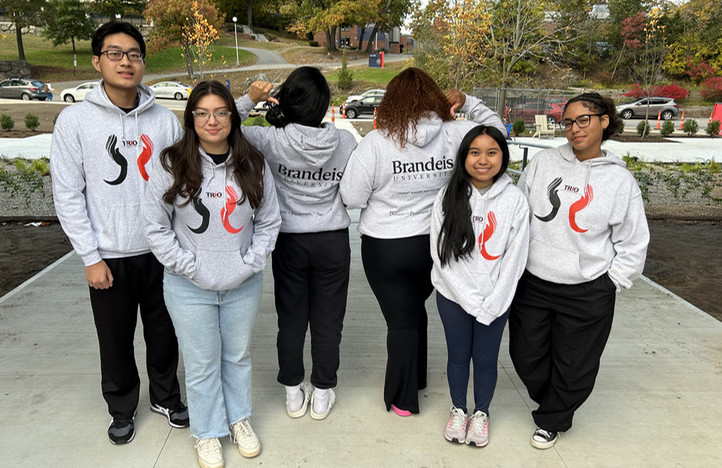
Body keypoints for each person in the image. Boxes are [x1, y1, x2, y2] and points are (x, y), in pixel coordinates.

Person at [50, 21, 187, 445]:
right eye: (115, 53)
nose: (125, 62)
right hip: (108, 254)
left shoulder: (164, 120)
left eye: (134, 54)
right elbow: (67, 193)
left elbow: (184, 180)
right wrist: (90, 256)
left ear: (143, 63)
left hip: (161, 250)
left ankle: (165, 396)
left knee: (164, 332)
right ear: (97, 61)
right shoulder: (75, 121)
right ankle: (121, 406)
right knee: (115, 339)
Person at [339, 67, 506, 416]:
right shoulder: (457, 133)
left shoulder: (377, 143)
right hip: (436, 245)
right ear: (434, 97)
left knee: (400, 322)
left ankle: (402, 399)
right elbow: (497, 132)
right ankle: (416, 378)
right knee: (414, 313)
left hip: (387, 246)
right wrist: (468, 101)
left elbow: (352, 197)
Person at [144, 80, 281, 468]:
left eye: (221, 112)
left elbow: (270, 220)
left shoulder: (252, 161)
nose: (212, 120)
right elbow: (156, 228)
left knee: (237, 356)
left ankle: (239, 420)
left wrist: (250, 262)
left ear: (233, 117)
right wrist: (189, 266)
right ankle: (206, 432)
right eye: (202, 113)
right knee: (202, 361)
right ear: (191, 119)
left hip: (242, 284)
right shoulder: (171, 163)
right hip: (188, 287)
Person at [509, 92, 649, 450]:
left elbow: (633, 241)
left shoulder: (620, 182)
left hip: (587, 288)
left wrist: (611, 283)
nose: (574, 129)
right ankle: (552, 399)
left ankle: (553, 418)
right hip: (534, 281)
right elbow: (517, 212)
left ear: (604, 120)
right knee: (525, 355)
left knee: (576, 363)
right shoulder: (543, 164)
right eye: (568, 122)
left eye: (583, 119)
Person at [235, 67, 357, 420]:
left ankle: (292, 393)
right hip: (332, 240)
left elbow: (222, 125)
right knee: (328, 321)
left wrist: (251, 99)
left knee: (290, 320)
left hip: (288, 240)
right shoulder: (345, 142)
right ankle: (322, 393)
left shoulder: (272, 141)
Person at [430, 125, 529, 446]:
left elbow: (516, 258)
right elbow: (441, 255)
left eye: (491, 152)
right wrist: (471, 301)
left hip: (496, 300)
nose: (483, 160)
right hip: (453, 297)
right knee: (458, 356)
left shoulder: (514, 200)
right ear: (463, 157)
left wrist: (494, 302)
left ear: (503, 156)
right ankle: (458, 409)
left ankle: (481, 413)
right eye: (474, 152)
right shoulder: (448, 196)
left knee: (486, 360)